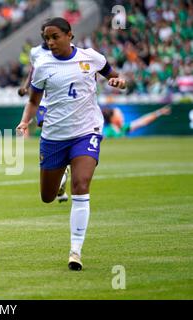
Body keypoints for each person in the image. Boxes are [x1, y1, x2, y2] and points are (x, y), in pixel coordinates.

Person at [16, 17, 127, 271]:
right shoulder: (43, 65)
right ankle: (61, 177)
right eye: (47, 38)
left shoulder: (92, 58)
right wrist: (25, 122)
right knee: (46, 197)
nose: (50, 42)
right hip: (54, 136)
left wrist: (119, 82)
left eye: (55, 36)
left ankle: (75, 251)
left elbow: (115, 76)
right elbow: (34, 101)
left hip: (86, 132)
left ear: (69, 35)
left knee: (82, 185)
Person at [18, 36, 69, 203]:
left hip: (59, 101)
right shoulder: (35, 52)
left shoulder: (66, 51)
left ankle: (62, 168)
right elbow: (33, 71)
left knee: (57, 133)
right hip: (42, 100)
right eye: (45, 35)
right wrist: (26, 87)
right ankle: (61, 168)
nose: (49, 40)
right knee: (44, 125)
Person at [102, 105, 171, 138]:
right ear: (112, 118)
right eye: (120, 115)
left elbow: (142, 121)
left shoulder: (123, 128)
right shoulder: (107, 132)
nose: (122, 116)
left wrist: (159, 112)